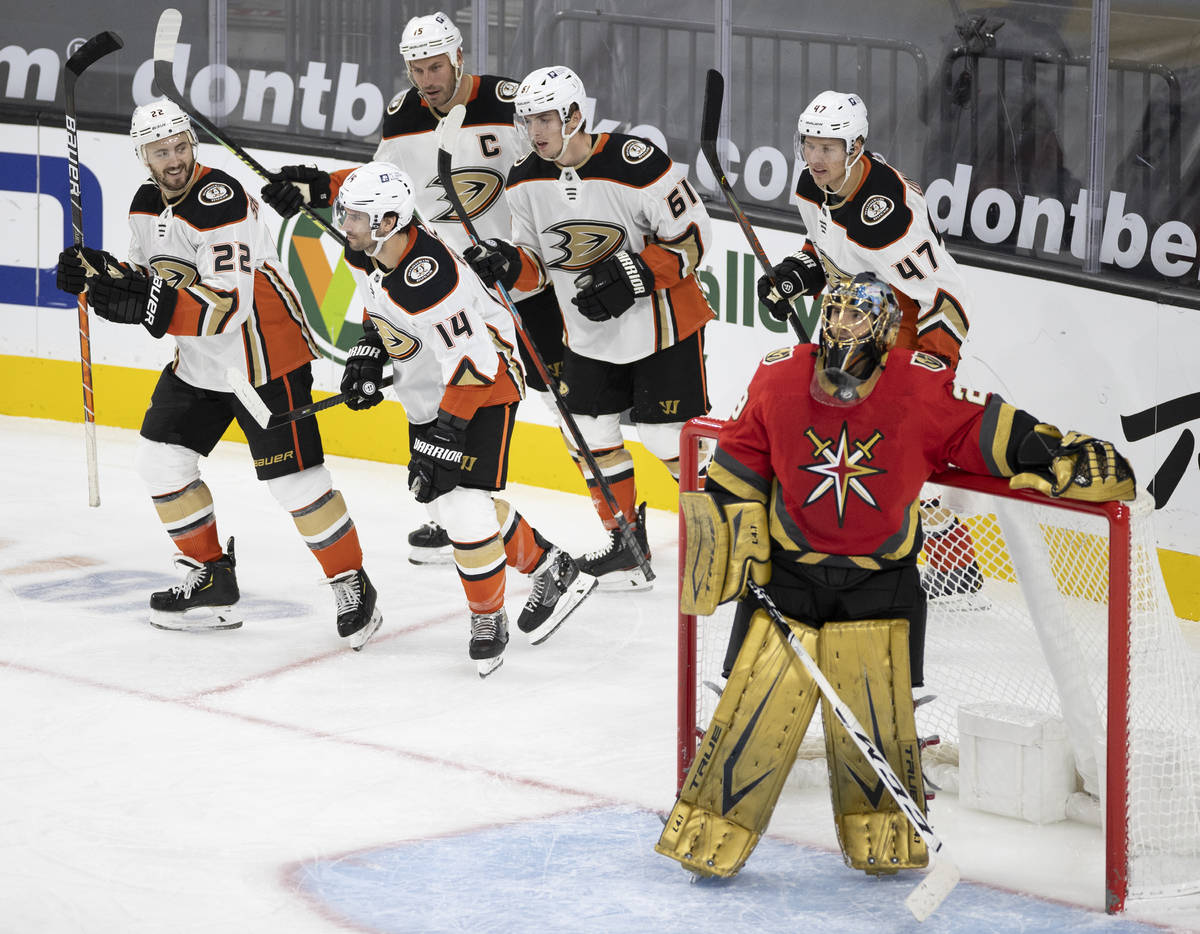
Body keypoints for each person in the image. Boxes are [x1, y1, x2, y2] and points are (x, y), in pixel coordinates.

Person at [657, 272, 1135, 880]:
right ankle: (708, 836)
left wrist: (1056, 450)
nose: (839, 327)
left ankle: (880, 844)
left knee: (877, 731)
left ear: (884, 333)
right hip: (787, 578)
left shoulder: (918, 386)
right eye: (834, 313)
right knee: (751, 714)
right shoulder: (778, 375)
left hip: (881, 585)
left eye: (857, 318)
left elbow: (980, 431)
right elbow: (742, 455)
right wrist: (731, 527)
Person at [54, 99, 383, 649]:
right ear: (143, 156)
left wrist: (148, 304)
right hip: (200, 363)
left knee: (295, 483)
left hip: (263, 359)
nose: (175, 159)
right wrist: (99, 271)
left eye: (181, 146)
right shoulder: (143, 203)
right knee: (160, 461)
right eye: (162, 152)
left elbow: (229, 305)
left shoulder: (221, 200)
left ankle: (351, 582)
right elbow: (149, 274)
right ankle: (211, 578)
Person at [259, 10, 569, 568]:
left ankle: (609, 519)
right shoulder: (404, 116)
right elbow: (386, 181)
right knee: (428, 375)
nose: (426, 79)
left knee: (562, 399)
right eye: (416, 68)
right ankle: (453, 509)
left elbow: (541, 180)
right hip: (438, 282)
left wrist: (519, 256)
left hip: (514, 278)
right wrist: (315, 187)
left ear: (458, 58)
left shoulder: (505, 102)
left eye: (435, 66)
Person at [331, 161, 595, 677]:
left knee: (465, 508)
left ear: (388, 221)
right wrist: (369, 349)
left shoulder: (431, 279)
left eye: (358, 217)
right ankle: (552, 566)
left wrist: (446, 432)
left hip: (485, 385)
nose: (348, 224)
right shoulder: (369, 251)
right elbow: (379, 305)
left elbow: (478, 364)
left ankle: (487, 619)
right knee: (450, 503)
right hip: (430, 385)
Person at [463, 65, 716, 590]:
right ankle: (625, 540)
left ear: (576, 115)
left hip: (662, 325)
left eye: (546, 119)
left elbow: (694, 238)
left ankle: (725, 535)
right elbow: (535, 264)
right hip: (586, 331)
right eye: (527, 120)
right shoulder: (525, 178)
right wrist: (510, 266)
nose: (534, 132)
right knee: (590, 435)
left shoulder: (635, 163)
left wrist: (638, 272)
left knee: (668, 438)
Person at [757, 90, 981, 602]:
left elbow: (947, 296)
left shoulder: (890, 218)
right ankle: (844, 547)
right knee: (840, 435)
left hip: (901, 324)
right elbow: (828, 249)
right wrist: (795, 274)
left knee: (894, 444)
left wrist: (931, 368)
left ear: (856, 147)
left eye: (828, 149)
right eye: (809, 145)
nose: (814, 158)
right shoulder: (813, 187)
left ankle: (955, 563)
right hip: (851, 315)